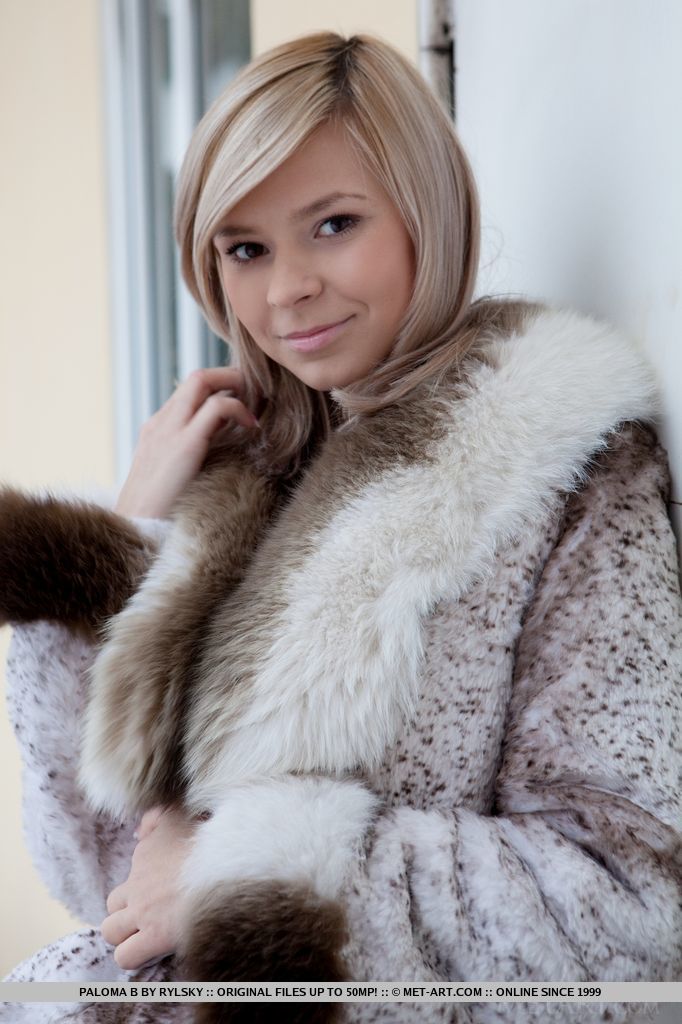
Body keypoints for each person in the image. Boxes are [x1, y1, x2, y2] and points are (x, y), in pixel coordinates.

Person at [1, 29, 681, 1024]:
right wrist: (127, 535)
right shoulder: (244, 472)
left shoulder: (561, 465)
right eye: (246, 248)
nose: (286, 290)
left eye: (333, 224)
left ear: (424, 213)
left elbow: (631, 912)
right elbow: (100, 876)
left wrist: (253, 868)